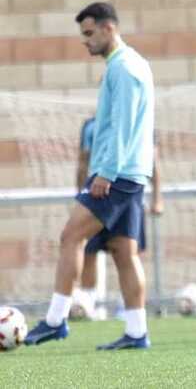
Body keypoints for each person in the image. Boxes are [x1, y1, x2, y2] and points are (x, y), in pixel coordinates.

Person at [25, 2, 156, 350]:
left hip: (117, 174)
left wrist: (107, 172)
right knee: (124, 252)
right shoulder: (131, 63)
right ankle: (137, 332)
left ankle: (55, 320)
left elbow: (124, 126)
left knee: (70, 237)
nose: (85, 41)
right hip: (131, 174)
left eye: (89, 33)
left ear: (108, 28)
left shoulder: (124, 69)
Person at [76, 118, 163, 319]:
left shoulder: (143, 124)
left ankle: (130, 308)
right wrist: (80, 194)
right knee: (88, 250)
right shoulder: (91, 126)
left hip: (128, 194)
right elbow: (82, 162)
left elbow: (153, 164)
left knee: (129, 253)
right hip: (96, 194)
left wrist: (158, 198)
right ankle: (89, 305)